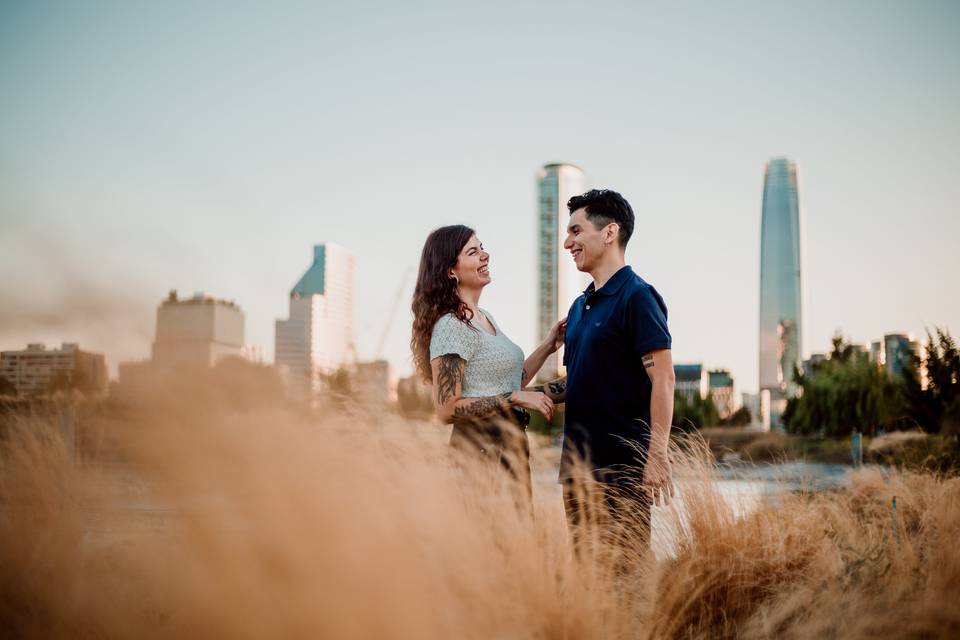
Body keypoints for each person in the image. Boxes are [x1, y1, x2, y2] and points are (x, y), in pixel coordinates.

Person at [529, 189, 675, 552]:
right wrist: (525, 395)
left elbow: (664, 378)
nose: (567, 243)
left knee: (624, 585)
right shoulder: (580, 307)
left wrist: (657, 455)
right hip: (576, 472)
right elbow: (581, 380)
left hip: (622, 472)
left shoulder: (638, 297)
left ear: (609, 233)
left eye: (576, 231)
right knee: (587, 586)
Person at [410, 225, 565, 502]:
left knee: (516, 541)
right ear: (451, 271)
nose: (485, 255)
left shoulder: (485, 318)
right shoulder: (452, 326)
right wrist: (513, 397)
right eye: (473, 251)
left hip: (510, 445)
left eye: (482, 248)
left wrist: (548, 347)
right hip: (479, 452)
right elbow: (447, 409)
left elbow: (509, 384)